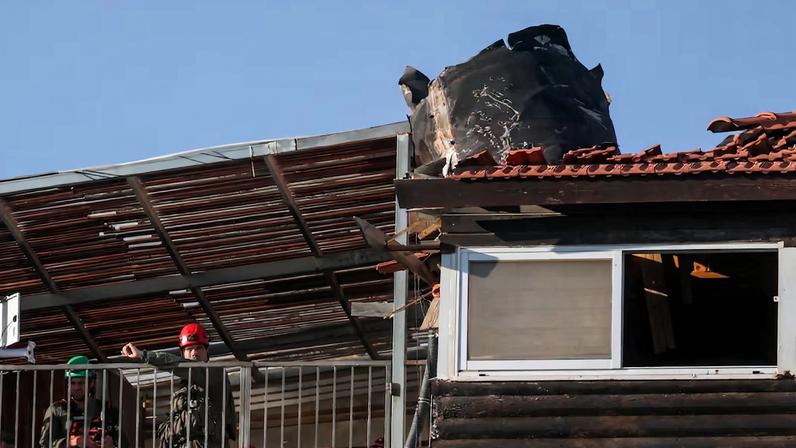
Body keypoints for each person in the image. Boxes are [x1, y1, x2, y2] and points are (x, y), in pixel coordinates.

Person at [121, 323, 237, 448]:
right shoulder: (183, 388)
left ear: (207, 351)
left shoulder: (216, 374)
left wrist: (144, 356)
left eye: (199, 348)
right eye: (189, 349)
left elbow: (191, 369)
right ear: (183, 354)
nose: (194, 353)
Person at [39, 355, 121, 448]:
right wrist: (72, 442)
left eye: (81, 383)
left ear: (91, 384)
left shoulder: (105, 409)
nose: (77, 388)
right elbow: (45, 444)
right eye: (73, 383)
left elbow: (123, 442)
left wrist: (112, 445)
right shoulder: (57, 409)